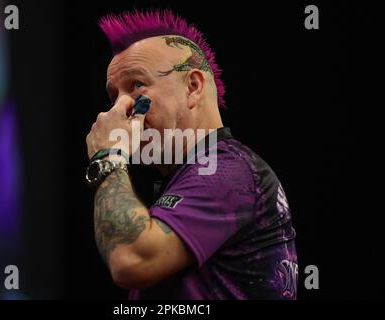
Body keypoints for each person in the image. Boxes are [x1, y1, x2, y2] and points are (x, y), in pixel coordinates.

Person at [85, 9, 298, 299]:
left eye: (136, 85)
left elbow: (131, 260)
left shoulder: (226, 171)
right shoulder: (195, 173)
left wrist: (108, 156)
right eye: (114, 96)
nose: (118, 109)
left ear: (193, 87)